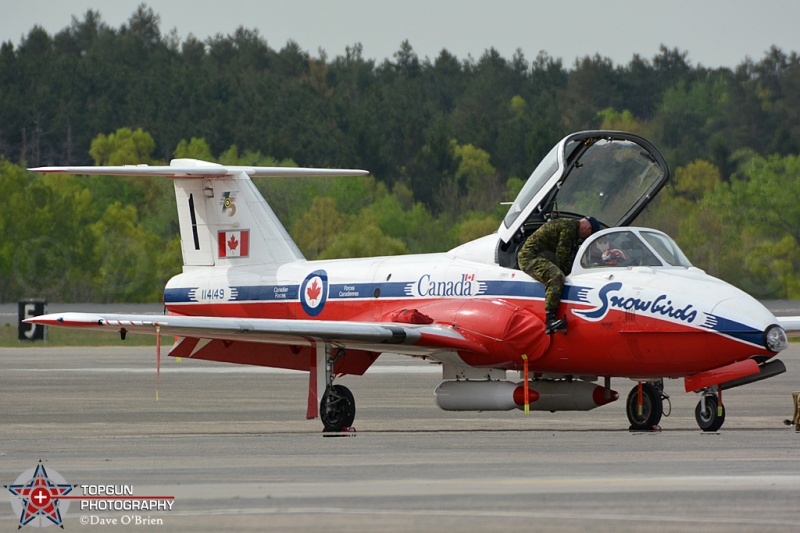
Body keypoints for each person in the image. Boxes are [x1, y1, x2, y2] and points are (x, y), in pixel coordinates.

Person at [518, 216, 600, 334]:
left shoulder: (570, 225)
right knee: (556, 276)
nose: (585, 238)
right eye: (589, 234)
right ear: (588, 228)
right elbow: (562, 257)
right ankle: (550, 320)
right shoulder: (569, 229)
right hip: (530, 258)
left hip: (543, 256)